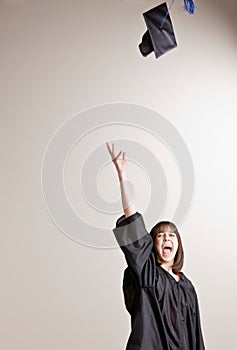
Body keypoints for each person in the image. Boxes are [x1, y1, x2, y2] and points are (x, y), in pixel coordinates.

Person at [106, 142, 205, 350]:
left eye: (172, 235)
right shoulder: (148, 274)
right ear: (152, 244)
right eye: (160, 235)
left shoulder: (187, 287)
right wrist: (123, 178)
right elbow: (133, 222)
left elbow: (196, 336)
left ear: (178, 244)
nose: (167, 239)